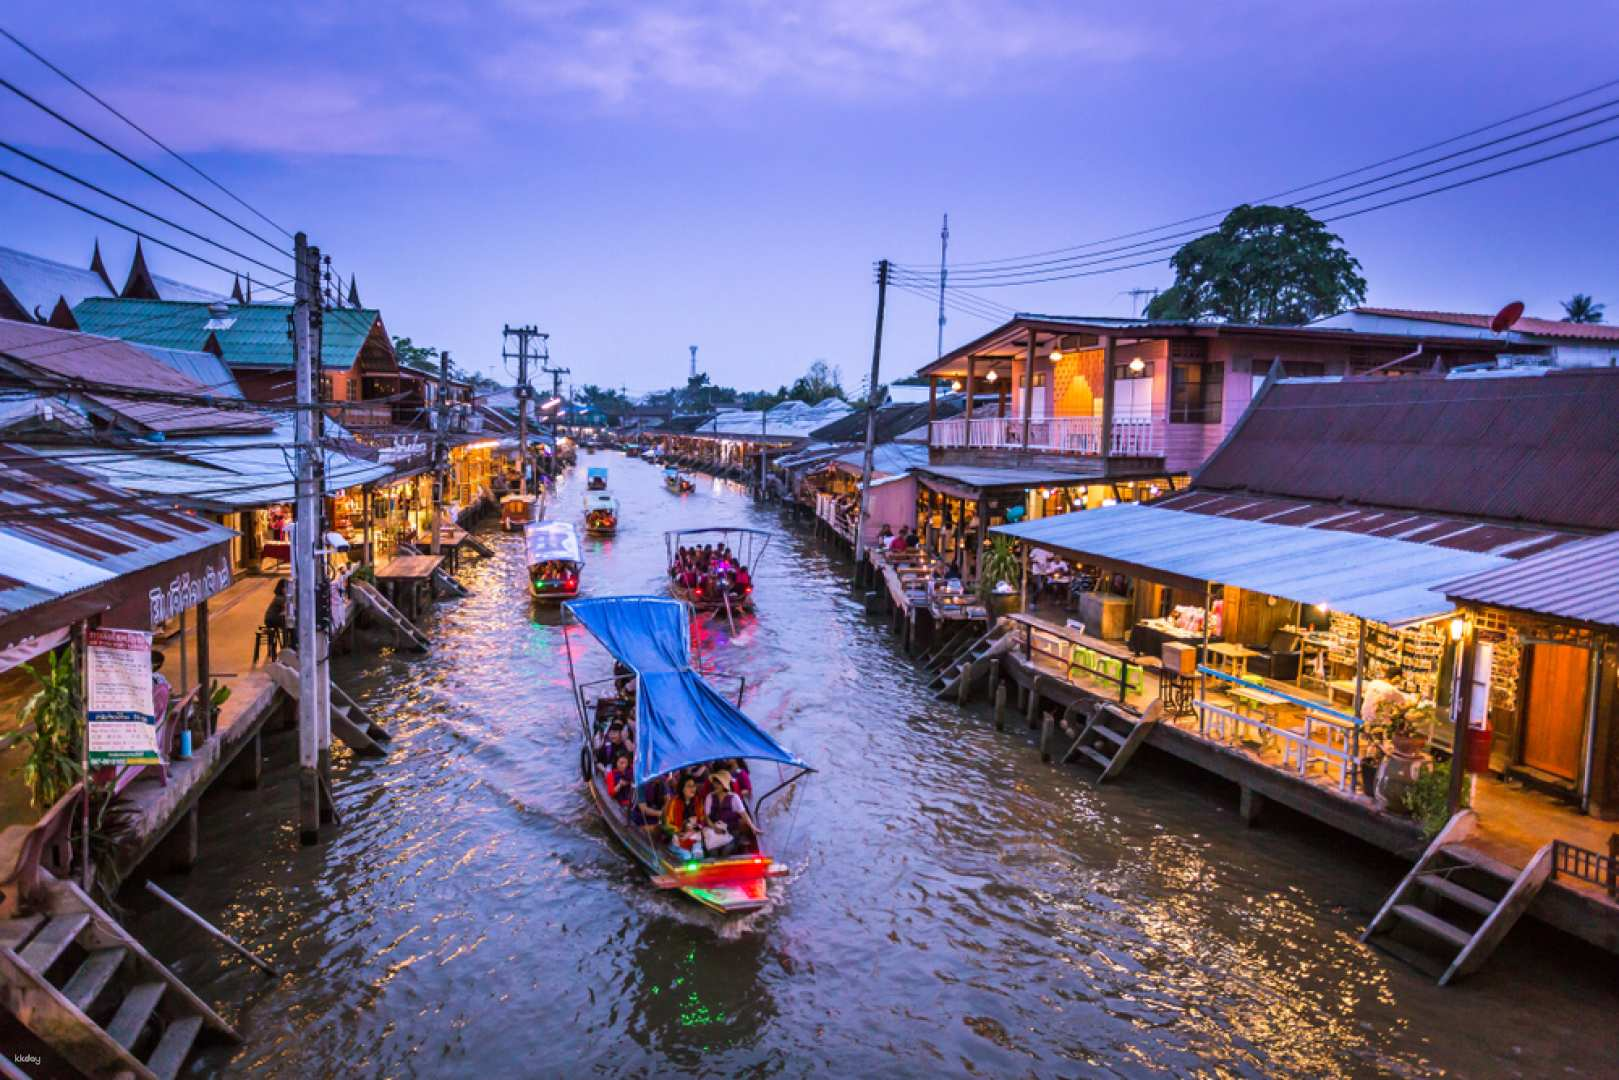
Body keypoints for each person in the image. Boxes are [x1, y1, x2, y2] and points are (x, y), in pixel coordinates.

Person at [661, 774, 706, 859]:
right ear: (682, 788)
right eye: (689, 786)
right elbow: (666, 825)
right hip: (677, 839)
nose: (693, 789)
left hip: (695, 838)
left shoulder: (698, 801)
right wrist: (680, 830)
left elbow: (702, 821)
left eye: (693, 786)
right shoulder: (673, 802)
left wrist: (695, 828)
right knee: (687, 857)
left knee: (698, 855)